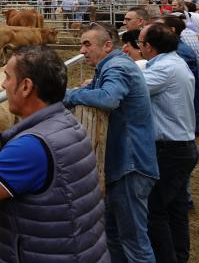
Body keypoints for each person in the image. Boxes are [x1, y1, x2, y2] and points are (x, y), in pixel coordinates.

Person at [0, 45, 108, 263]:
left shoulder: (30, 148)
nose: (3, 84)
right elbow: (22, 154)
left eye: (7, 77)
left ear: (26, 86)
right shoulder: (64, 122)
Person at [64, 23, 158, 263]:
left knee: (134, 240)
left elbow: (108, 98)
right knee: (114, 232)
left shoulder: (116, 66)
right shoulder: (111, 65)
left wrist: (66, 95)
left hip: (131, 163)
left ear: (107, 45)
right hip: (122, 160)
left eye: (87, 44)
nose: (82, 50)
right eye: (81, 44)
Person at [138, 24, 198, 263]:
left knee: (155, 211)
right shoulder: (174, 63)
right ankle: (179, 256)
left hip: (169, 150)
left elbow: (131, 87)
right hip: (181, 147)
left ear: (148, 47)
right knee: (176, 209)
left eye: (141, 42)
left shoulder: (163, 70)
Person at [160, 15, 199, 138]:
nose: (156, 29)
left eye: (160, 27)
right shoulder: (179, 47)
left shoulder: (179, 51)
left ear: (172, 30)